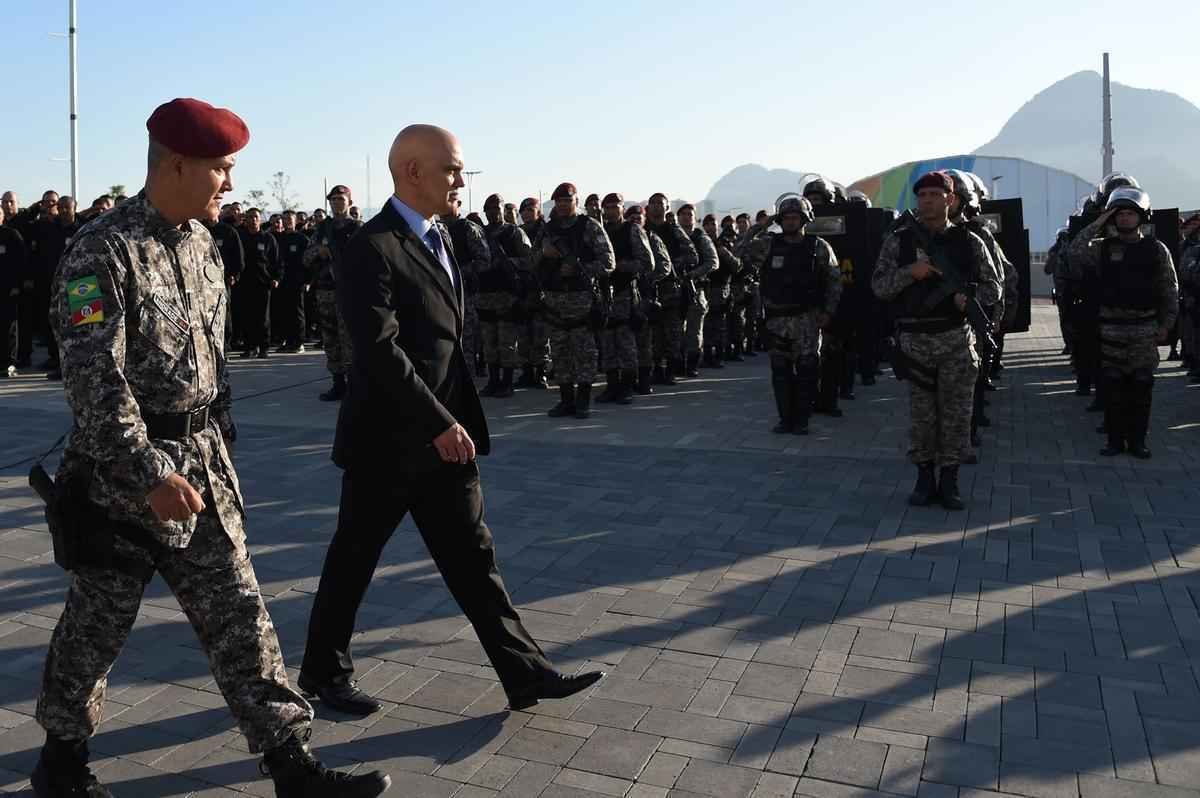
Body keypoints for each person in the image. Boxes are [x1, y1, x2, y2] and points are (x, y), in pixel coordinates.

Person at [33, 97, 390, 798]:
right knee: (96, 626)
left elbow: (212, 366)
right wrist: (149, 472)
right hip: (120, 482)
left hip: (199, 468)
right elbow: (95, 382)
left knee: (241, 614)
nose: (229, 182)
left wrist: (217, 449)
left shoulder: (202, 243)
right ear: (176, 165)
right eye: (221, 168)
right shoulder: (100, 252)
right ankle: (62, 763)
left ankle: (292, 765)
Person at [300, 124, 604, 717]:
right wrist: (438, 420)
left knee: (473, 558)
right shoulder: (372, 246)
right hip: (389, 441)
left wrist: (450, 421)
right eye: (451, 169)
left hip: (445, 439)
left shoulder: (440, 236)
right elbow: (379, 349)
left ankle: (525, 673)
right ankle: (323, 672)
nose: (461, 180)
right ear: (413, 172)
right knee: (355, 558)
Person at [871, 171, 1000, 510]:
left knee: (957, 415)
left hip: (955, 339)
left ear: (951, 199)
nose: (927, 200)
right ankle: (924, 477)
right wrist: (909, 273)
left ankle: (950, 480)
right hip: (915, 341)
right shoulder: (898, 241)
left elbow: (994, 288)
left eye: (934, 194)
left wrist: (968, 298)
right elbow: (879, 287)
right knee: (923, 416)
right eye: (922, 195)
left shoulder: (970, 242)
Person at [1068, 188, 1178, 457]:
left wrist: (1166, 325)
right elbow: (1074, 253)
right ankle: (1115, 441)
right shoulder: (1101, 248)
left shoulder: (1156, 249)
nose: (1126, 219)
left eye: (1131, 214)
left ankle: (1138, 441)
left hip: (1144, 327)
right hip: (1110, 326)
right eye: (1121, 214)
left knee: (1141, 385)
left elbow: (1170, 290)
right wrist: (1099, 221)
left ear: (1142, 217)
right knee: (1113, 386)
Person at [742, 197, 841, 435]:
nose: (790, 222)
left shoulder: (818, 246)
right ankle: (785, 419)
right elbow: (741, 251)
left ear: (805, 219)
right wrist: (763, 225)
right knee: (781, 371)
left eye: (795, 217)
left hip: (807, 319)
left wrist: (828, 311)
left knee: (807, 371)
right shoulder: (768, 244)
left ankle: (802, 420)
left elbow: (834, 281)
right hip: (777, 319)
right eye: (785, 218)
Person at [535, 182, 616, 418]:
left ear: (576, 202)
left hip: (581, 300)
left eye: (567, 201)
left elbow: (608, 262)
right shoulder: (548, 230)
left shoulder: (589, 226)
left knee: (584, 353)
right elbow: (531, 261)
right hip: (554, 301)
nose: (562, 205)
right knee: (560, 353)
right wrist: (543, 253)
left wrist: (581, 269)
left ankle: (583, 400)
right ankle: (566, 400)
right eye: (559, 202)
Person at [304, 185, 361, 400]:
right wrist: (319, 251)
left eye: (340, 199)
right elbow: (306, 257)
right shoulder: (322, 229)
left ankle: (354, 384)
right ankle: (338, 383)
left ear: (349, 201)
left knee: (350, 340)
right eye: (333, 199)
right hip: (326, 292)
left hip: (349, 292)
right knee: (330, 339)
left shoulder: (358, 228)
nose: (336, 203)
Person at [599, 192, 653, 403]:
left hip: (625, 293)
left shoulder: (632, 230)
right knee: (607, 342)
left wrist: (622, 266)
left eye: (615, 207)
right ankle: (612, 386)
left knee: (626, 343)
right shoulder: (600, 231)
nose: (611, 211)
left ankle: (628, 386)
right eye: (608, 207)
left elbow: (648, 263)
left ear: (622, 208)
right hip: (604, 292)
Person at [478, 192, 534, 397]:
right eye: (489, 210)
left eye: (497, 209)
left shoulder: (514, 233)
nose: (493, 213)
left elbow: (530, 260)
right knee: (489, 342)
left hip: (508, 295)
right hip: (485, 295)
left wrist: (510, 263)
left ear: (503, 210)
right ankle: (493, 381)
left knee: (507, 342)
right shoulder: (480, 233)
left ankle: (507, 382)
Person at [646, 193, 697, 381]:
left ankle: (671, 370)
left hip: (671, 288)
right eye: (654, 203)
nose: (657, 207)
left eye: (661, 204)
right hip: (649, 287)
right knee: (653, 333)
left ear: (667, 208)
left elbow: (693, 255)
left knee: (673, 332)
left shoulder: (674, 230)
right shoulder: (642, 229)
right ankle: (656, 368)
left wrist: (674, 264)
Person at [237, 208, 281, 358]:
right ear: (245, 220)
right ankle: (250, 347)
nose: (253, 220)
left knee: (263, 318)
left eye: (255, 217)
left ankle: (263, 347)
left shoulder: (268, 238)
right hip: (244, 283)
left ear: (260, 219)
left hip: (263, 283)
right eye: (249, 217)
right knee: (247, 316)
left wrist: (276, 278)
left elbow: (276, 261)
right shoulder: (240, 237)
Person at [0, 203, 26, 378]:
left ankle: (9, 362)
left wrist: (17, 285)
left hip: (8, 289)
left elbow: (22, 261)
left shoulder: (11, 235)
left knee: (9, 327)